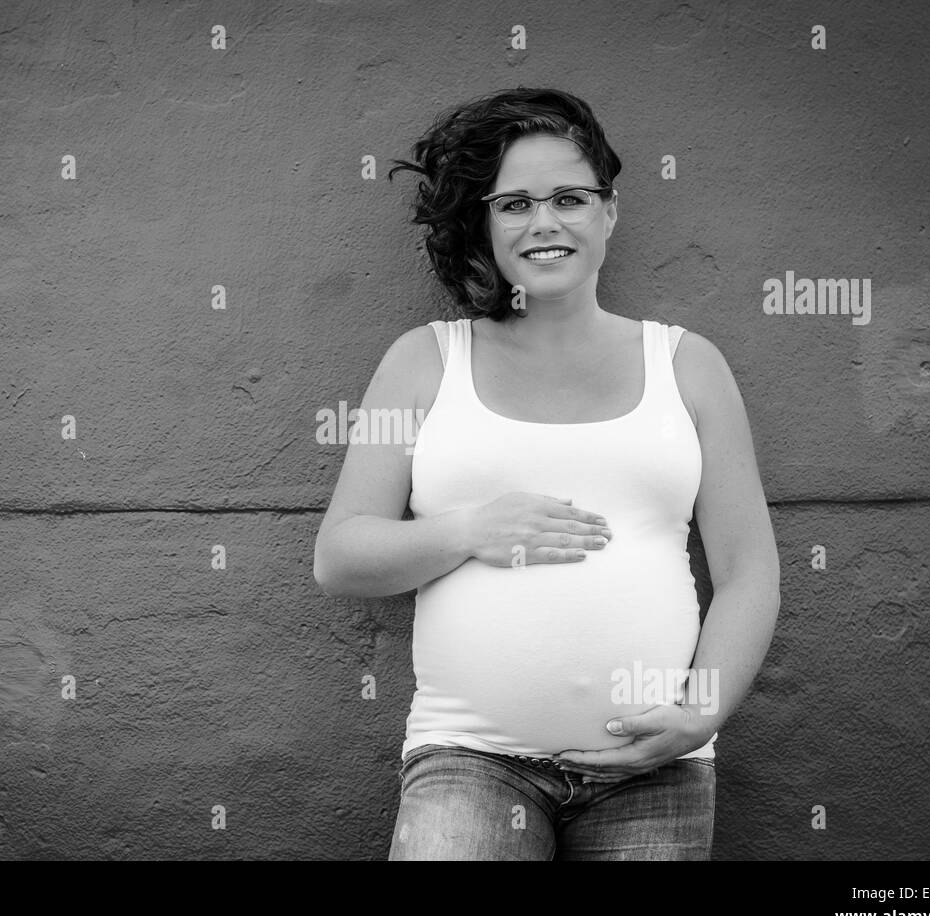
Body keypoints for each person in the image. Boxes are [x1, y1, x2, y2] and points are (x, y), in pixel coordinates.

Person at [312, 87, 780, 860]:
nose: (545, 223)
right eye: (515, 204)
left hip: (657, 765)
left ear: (609, 210)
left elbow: (749, 569)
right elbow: (340, 555)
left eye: (569, 197)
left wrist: (703, 710)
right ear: (485, 222)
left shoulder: (687, 366)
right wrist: (469, 529)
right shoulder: (427, 361)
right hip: (468, 759)